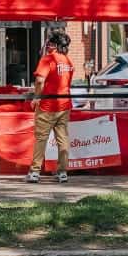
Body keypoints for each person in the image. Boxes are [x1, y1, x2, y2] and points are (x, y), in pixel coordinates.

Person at [27, 30, 75, 184]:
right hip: (64, 104)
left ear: (53, 44)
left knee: (41, 139)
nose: (47, 45)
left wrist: (36, 97)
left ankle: (34, 172)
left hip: (47, 106)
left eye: (49, 43)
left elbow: (40, 80)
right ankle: (62, 172)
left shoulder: (47, 60)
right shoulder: (68, 62)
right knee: (63, 139)